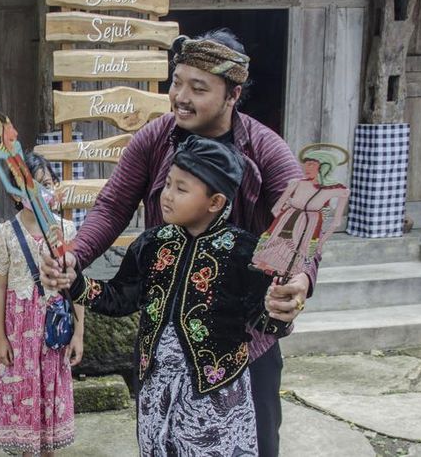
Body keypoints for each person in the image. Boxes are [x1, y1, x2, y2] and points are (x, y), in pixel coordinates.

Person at [41, 29, 314, 457]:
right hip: (165, 341)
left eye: (198, 88)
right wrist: (74, 257)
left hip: (243, 343)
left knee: (256, 445)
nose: (180, 97)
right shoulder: (155, 138)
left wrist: (297, 279)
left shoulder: (265, 150)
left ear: (233, 94)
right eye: (176, 82)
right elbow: (113, 206)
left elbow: (298, 227)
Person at [70, 136, 286, 455]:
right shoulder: (151, 244)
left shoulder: (245, 252)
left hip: (216, 391)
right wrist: (75, 284)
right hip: (156, 385)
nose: (166, 196)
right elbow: (122, 297)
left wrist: (281, 307)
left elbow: (264, 320)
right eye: (167, 184)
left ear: (215, 202)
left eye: (181, 189)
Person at [0, 152, 83, 456]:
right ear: (14, 194)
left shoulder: (67, 230)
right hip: (18, 331)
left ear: (55, 185)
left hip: (54, 329)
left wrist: (79, 333)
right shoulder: (5, 232)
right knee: (22, 393)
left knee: (51, 392)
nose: (39, 193)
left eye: (45, 184)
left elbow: (76, 286)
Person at [252, 146, 350, 278]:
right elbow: (276, 208)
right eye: (305, 164)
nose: (306, 168)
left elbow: (336, 222)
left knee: (298, 257)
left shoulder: (337, 190)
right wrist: (282, 219)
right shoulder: (295, 183)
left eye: (311, 164)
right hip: (285, 221)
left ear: (324, 166)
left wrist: (320, 243)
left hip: (309, 227)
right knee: (272, 254)